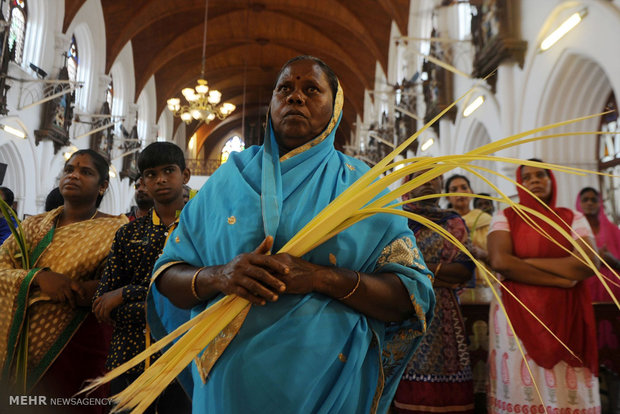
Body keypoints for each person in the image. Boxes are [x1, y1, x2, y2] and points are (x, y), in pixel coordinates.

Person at [147, 55, 435, 414]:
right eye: (285, 88)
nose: (295, 97)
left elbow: (411, 296)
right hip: (229, 384)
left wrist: (320, 277)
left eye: (311, 89)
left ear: (336, 106)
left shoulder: (363, 187)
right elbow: (167, 276)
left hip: (329, 382)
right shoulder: (227, 178)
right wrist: (220, 276)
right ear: (271, 103)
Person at [0, 149, 127, 412]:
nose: (73, 175)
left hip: (78, 346)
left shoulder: (116, 230)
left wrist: (85, 289)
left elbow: (118, 282)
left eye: (86, 172)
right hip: (19, 344)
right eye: (69, 169)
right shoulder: (33, 226)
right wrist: (38, 278)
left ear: (102, 186)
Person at [487, 160, 601, 413]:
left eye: (541, 175)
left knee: (563, 386)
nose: (535, 180)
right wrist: (561, 278)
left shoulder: (573, 217)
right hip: (515, 312)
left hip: (566, 312)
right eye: (527, 177)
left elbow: (585, 264)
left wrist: (522, 263)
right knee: (523, 378)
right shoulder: (505, 216)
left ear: (552, 180)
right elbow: (499, 261)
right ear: (520, 184)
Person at [93, 142, 191, 413]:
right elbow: (102, 303)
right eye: (150, 174)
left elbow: (200, 293)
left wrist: (125, 294)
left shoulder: (201, 228)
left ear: (185, 175)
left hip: (185, 358)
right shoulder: (129, 234)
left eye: (168, 170)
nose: (159, 179)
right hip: (128, 358)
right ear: (143, 183)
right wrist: (158, 304)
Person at [393, 170, 475, 414]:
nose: (429, 182)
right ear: (407, 183)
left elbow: (463, 270)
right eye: (421, 177)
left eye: (435, 177)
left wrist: (417, 270)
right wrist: (440, 272)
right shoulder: (395, 220)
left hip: (444, 314)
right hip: (400, 306)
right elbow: (388, 268)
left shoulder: (453, 222)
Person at [576, 186, 620, 413]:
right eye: (586, 199)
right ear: (579, 203)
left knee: (614, 355)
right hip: (586, 297)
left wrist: (611, 259)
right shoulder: (573, 229)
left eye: (594, 199)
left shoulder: (614, 231)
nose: (590, 203)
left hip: (612, 301)